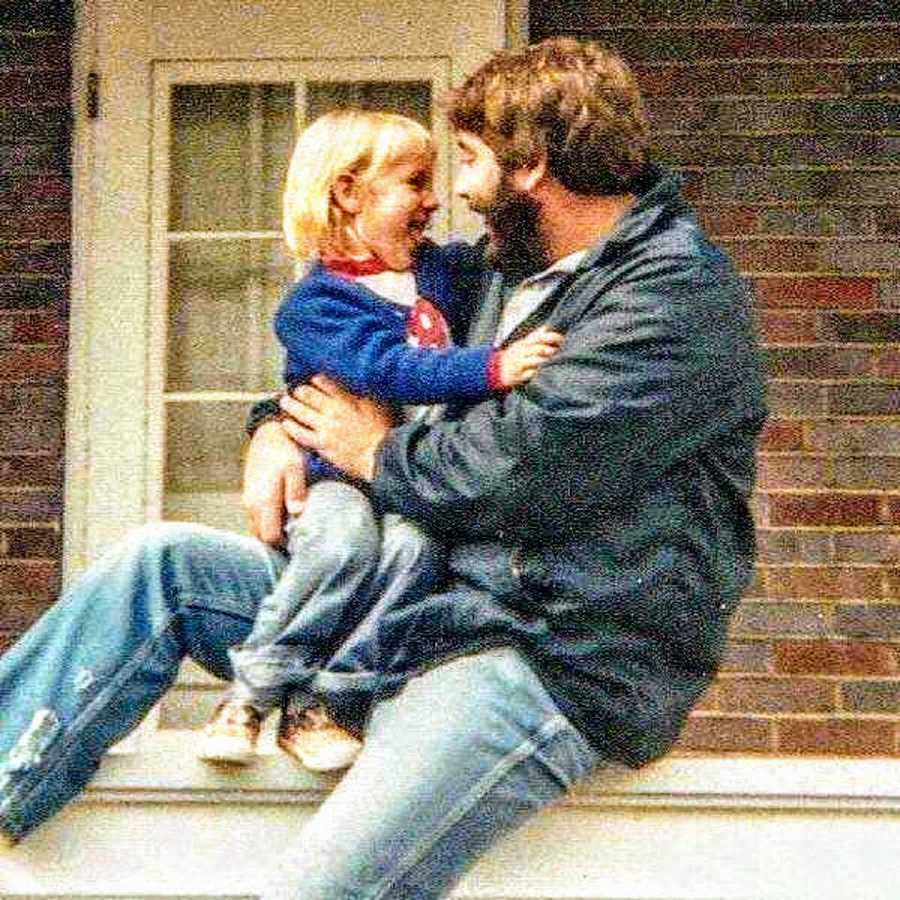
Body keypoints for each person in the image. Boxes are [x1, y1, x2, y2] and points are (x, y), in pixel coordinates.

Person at [0, 37, 765, 900]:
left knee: (315, 893)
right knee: (161, 570)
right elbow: (371, 355)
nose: (456, 192)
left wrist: (364, 450)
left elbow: (516, 468)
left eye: (470, 161)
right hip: (408, 604)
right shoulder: (499, 270)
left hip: (538, 650)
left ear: (532, 169)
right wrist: (279, 429)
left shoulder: (672, 298)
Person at [198, 108, 562, 771]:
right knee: (341, 545)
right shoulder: (316, 305)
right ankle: (251, 693)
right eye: (415, 183)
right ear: (347, 192)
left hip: (401, 476)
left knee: (415, 548)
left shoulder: (431, 272)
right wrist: (492, 368)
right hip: (334, 475)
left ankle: (329, 700)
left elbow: (493, 254)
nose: (432, 201)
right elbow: (387, 370)